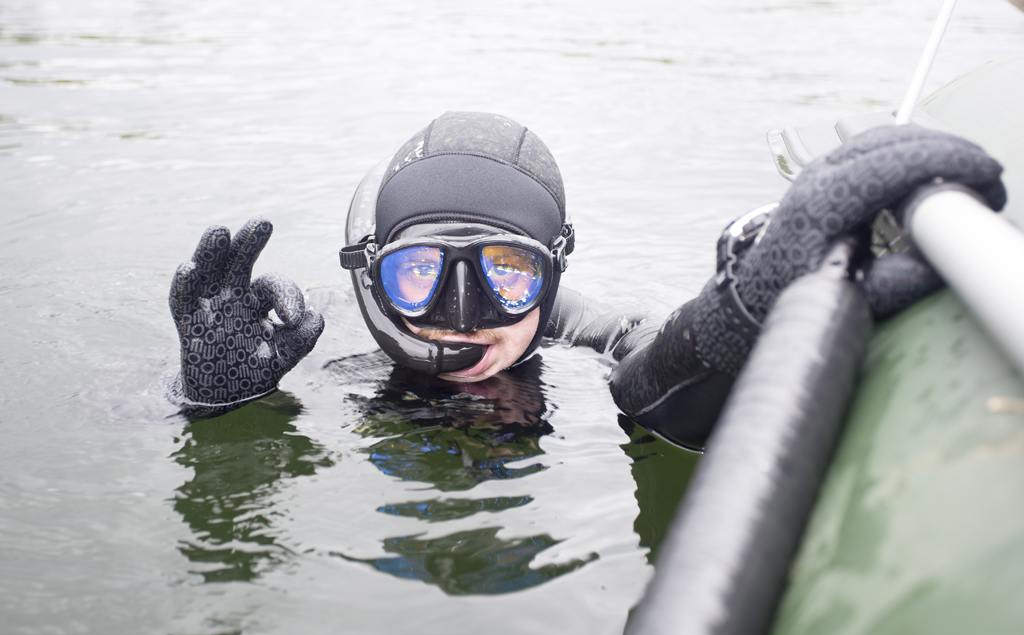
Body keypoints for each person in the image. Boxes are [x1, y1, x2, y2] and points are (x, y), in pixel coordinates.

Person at [167, 111, 1006, 448]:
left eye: (505, 272)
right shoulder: (316, 340)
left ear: (554, 267)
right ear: (373, 273)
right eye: (418, 273)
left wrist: (747, 306)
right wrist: (207, 396)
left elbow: (653, 367)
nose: (461, 315)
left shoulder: (584, 332)